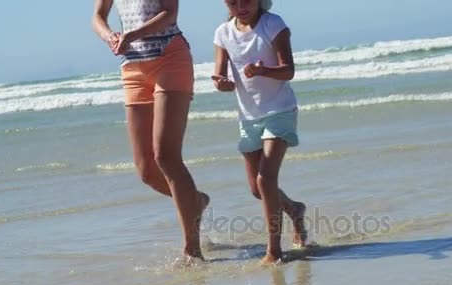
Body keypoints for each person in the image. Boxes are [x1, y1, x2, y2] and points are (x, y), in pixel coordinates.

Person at [92, 0, 209, 261]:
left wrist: (131, 35)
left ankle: (192, 250)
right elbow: (98, 16)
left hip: (170, 58)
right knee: (146, 170)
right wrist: (109, 36)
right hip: (133, 66)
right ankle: (196, 202)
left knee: (166, 157)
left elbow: (170, 13)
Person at [212, 0, 307, 265]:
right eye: (233, 1)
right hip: (248, 117)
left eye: (246, 0)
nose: (240, 6)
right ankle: (295, 209)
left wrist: (263, 70)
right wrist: (223, 83)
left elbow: (289, 70)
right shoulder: (223, 33)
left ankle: (274, 251)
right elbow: (220, 78)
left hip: (279, 110)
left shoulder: (273, 24)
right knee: (257, 189)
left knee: (266, 181)